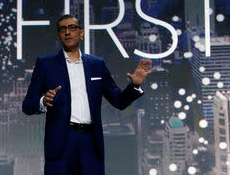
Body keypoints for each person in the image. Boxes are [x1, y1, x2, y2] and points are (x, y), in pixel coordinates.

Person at [22, 14, 155, 175]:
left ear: (81, 33)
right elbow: (27, 105)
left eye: (72, 28)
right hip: (61, 142)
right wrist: (43, 101)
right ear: (58, 35)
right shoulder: (45, 64)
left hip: (91, 142)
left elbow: (119, 101)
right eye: (63, 29)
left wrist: (135, 84)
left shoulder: (96, 64)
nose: (67, 32)